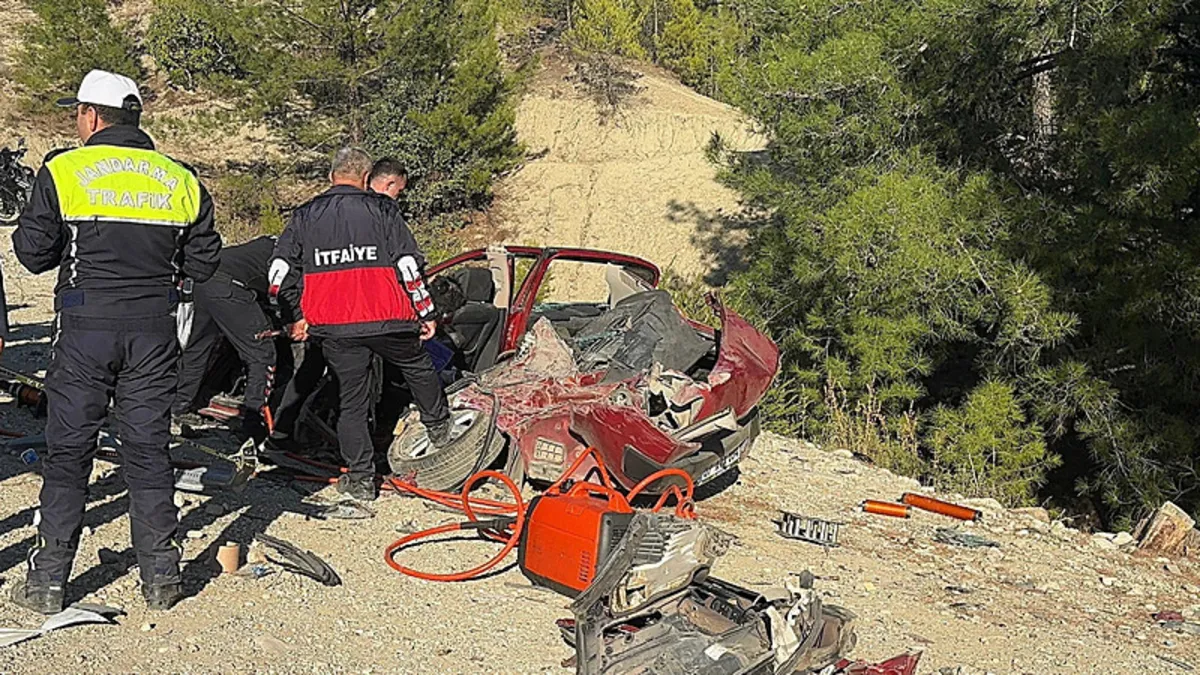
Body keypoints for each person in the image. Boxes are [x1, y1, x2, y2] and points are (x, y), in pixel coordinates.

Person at [11, 69, 220, 614]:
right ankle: (162, 579)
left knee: (70, 451)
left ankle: (48, 580)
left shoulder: (66, 169)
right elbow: (203, 262)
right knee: (149, 450)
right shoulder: (180, 177)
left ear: (90, 116)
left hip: (86, 328)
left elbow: (33, 255)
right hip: (154, 330)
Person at [269, 147, 448, 501]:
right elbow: (408, 264)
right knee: (416, 365)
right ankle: (440, 428)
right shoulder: (383, 208)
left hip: (335, 326)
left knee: (352, 401)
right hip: (389, 317)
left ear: (330, 176)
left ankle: (363, 479)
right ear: (367, 179)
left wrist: (293, 315)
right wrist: (425, 312)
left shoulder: (305, 215)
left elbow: (278, 273)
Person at [173, 235, 277, 445]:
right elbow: (287, 295)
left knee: (198, 349)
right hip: (229, 286)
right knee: (262, 354)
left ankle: (177, 408)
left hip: (203, 280)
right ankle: (252, 426)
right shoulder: (296, 256)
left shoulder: (275, 243)